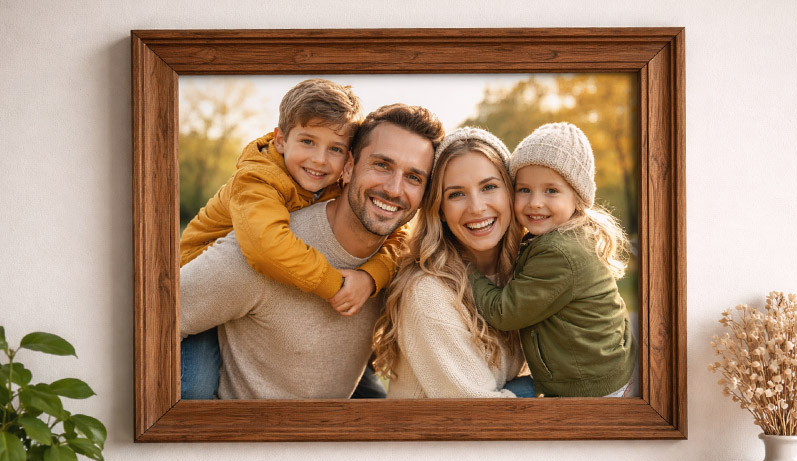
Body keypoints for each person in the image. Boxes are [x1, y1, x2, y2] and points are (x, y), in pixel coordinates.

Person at [180, 104, 444, 399]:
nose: (394, 189)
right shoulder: (263, 250)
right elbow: (154, 317)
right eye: (382, 165)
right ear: (348, 166)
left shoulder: (401, 267)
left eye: (414, 178)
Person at [471, 122, 637, 397]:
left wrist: (467, 269)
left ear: (578, 198)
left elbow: (504, 312)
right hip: (601, 371)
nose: (535, 202)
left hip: (590, 390)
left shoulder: (559, 252)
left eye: (551, 191)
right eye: (524, 190)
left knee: (501, 402)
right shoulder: (570, 236)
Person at [372, 127, 532, 398]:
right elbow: (478, 414)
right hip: (432, 439)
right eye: (456, 194)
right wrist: (537, 388)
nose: (477, 207)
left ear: (511, 193)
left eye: (489, 187)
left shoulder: (526, 274)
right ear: (441, 210)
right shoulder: (427, 292)